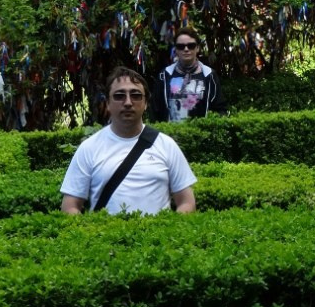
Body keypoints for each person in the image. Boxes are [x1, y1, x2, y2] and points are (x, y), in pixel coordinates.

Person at [61, 66, 196, 215]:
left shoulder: (167, 145)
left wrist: (168, 227)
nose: (128, 102)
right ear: (108, 103)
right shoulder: (88, 148)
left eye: (136, 95)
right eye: (119, 96)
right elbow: (70, 206)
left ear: (146, 103)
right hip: (104, 230)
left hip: (158, 230)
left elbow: (186, 202)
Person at [151, 27, 227, 123]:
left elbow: (220, 108)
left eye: (191, 46)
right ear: (176, 50)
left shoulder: (209, 75)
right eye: (181, 46)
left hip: (201, 131)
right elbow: (155, 109)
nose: (186, 49)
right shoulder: (165, 75)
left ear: (197, 48)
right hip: (169, 131)